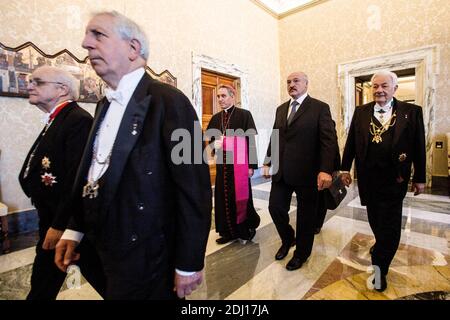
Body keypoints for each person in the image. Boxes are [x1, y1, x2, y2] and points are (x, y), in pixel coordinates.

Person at [55, 11, 212, 300]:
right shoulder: (103, 104)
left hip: (148, 257)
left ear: (133, 48)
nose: (85, 44)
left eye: (98, 35)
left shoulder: (172, 101)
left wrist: (189, 262)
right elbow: (94, 172)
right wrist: (74, 229)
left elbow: (196, 188)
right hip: (103, 249)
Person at [18, 66, 105, 299]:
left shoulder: (77, 120)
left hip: (68, 223)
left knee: (106, 280)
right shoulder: (57, 119)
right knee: (44, 283)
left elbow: (77, 178)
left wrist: (61, 225)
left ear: (62, 89)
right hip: (54, 219)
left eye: (38, 82)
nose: (30, 86)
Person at [340, 70, 425, 292]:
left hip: (395, 179)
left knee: (391, 225)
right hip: (367, 179)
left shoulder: (412, 112)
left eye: (384, 86)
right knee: (375, 219)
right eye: (375, 86)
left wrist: (420, 177)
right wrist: (344, 168)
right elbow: (351, 142)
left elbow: (418, 146)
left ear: (394, 88)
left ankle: (380, 267)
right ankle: (382, 244)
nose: (379, 90)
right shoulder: (361, 112)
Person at [263, 71, 338, 271]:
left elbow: (328, 141)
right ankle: (288, 239)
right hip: (282, 172)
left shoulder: (320, 108)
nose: (291, 85)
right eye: (288, 82)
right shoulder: (281, 109)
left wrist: (325, 170)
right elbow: (275, 136)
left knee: (306, 217)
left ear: (306, 84)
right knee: (275, 208)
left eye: (296, 81)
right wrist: (268, 161)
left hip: (308, 173)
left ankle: (301, 254)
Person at [205, 84, 260, 245]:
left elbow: (250, 141)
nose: (220, 99)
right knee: (223, 197)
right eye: (218, 96)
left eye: (223, 96)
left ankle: (245, 229)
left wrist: (251, 165)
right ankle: (227, 231)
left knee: (241, 197)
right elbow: (211, 141)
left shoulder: (244, 115)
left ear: (232, 97)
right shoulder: (216, 118)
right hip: (223, 165)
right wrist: (215, 146)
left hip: (240, 166)